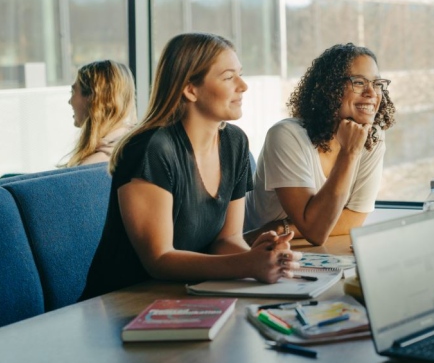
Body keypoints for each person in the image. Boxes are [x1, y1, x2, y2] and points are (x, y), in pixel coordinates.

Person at [81, 33, 300, 300]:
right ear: (190, 89)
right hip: (125, 303)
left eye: (240, 74)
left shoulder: (235, 142)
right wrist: (247, 264)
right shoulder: (150, 148)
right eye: (229, 77)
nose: (243, 86)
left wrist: (260, 257)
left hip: (188, 295)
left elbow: (226, 239)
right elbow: (159, 259)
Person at [244, 43, 396, 246]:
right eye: (358, 82)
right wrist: (350, 153)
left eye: (377, 84)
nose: (371, 92)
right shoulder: (286, 135)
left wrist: (282, 227)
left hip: (298, 247)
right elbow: (315, 231)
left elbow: (355, 218)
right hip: (260, 252)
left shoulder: (372, 136)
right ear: (329, 89)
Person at [63, 60, 136, 167]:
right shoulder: (134, 144)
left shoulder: (92, 165)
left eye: (73, 92)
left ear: (93, 99)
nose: (69, 101)